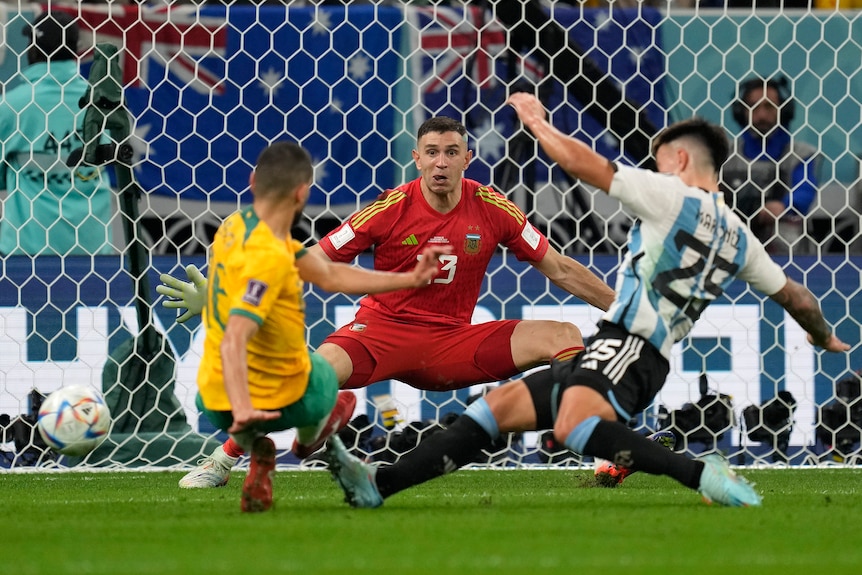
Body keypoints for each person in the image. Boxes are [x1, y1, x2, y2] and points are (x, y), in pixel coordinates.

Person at [325, 92, 851, 509]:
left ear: (683, 160)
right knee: (492, 412)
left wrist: (537, 123)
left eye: (663, 159)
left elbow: (588, 167)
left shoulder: (671, 197)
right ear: (419, 157)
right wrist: (822, 333)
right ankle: (379, 485)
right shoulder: (740, 234)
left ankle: (697, 473)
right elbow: (798, 296)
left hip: (629, 348)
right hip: (632, 350)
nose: (658, 168)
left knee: (572, 422)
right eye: (432, 153)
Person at [161, 116, 616, 488]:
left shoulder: (493, 206)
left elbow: (559, 268)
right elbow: (311, 259)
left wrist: (622, 308)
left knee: (565, 336)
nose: (441, 163)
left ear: (468, 160)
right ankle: (222, 462)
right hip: (379, 334)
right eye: (432, 153)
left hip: (454, 344)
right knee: (304, 377)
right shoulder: (389, 207)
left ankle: (602, 450)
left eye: (452, 153)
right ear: (416, 159)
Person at [195, 140, 448, 512]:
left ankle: (255, 448)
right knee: (329, 377)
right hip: (271, 401)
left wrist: (409, 279)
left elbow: (329, 275)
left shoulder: (233, 229)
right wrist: (245, 406)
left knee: (256, 389)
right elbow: (236, 337)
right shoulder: (271, 259)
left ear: (252, 182)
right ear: (303, 193)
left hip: (213, 402)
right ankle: (306, 442)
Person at [0, 11, 114, 256]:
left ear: (32, 49)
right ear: (75, 50)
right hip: (93, 252)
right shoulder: (102, 101)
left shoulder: (12, 106)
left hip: (26, 254)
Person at [722, 76, 819, 255]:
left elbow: (805, 189)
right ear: (741, 112)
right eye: (753, 107)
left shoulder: (800, 154)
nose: (761, 115)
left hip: (784, 244)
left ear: (784, 111)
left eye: (769, 106)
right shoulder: (724, 153)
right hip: (732, 239)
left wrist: (783, 206)